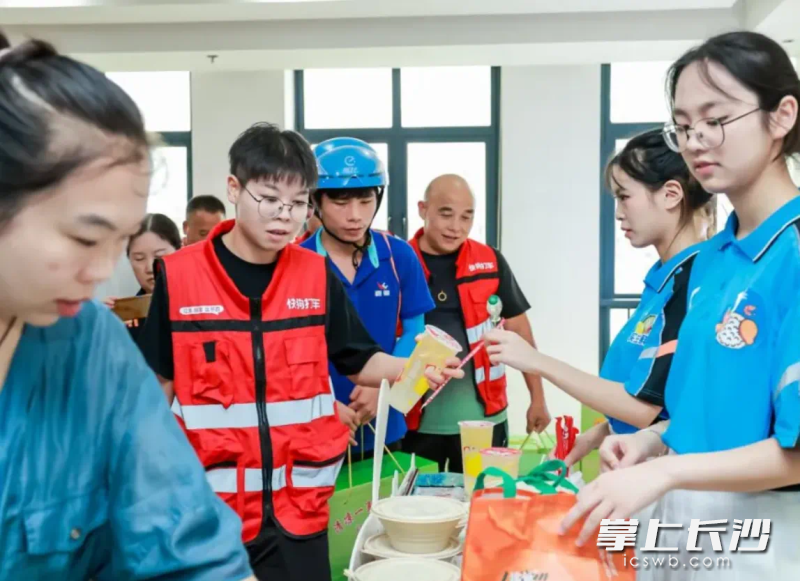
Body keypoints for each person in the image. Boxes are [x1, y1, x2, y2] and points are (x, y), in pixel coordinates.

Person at [503, 31, 800, 575]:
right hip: (685, 520)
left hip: (765, 536)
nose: (696, 142)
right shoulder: (714, 261)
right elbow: (704, 411)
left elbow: (795, 450)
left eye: (716, 120)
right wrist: (652, 442)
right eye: (683, 126)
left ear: (781, 117)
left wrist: (665, 471)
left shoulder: (793, 254)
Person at [138, 123, 462, 581]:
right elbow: (156, 388)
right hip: (210, 512)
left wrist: (418, 367)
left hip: (300, 511)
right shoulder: (180, 277)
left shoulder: (314, 274)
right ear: (234, 188)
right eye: (269, 199)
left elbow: (360, 359)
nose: (283, 216)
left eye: (296, 203)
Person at [0, 33, 254, 580]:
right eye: (84, 238)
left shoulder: (90, 344)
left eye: (120, 241)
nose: (100, 272)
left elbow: (190, 546)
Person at [549, 129, 714, 469]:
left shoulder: (695, 281)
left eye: (625, 197)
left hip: (670, 477)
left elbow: (644, 408)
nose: (619, 213)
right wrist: (601, 432)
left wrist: (535, 360)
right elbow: (662, 398)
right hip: (641, 469)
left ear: (671, 195)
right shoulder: (665, 279)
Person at [401, 174, 551, 472]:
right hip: (412, 423)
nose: (456, 226)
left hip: (485, 421)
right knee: (416, 510)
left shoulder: (491, 262)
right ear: (422, 209)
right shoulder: (400, 262)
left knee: (483, 504)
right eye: (446, 214)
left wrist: (538, 398)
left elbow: (521, 333)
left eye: (466, 217)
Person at [301, 137, 435, 456]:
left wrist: (385, 385)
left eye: (365, 200)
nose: (355, 216)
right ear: (315, 201)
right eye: (340, 202)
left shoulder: (399, 256)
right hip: (314, 428)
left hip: (387, 425)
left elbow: (416, 332)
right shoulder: (295, 263)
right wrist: (320, 405)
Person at [104, 213, 182, 342]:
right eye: (139, 259)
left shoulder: (202, 308)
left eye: (159, 256)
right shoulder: (124, 316)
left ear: (180, 252)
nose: (150, 268)